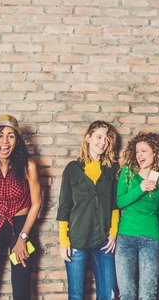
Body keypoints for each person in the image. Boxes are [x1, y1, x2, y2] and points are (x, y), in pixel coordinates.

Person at [0, 114, 42, 300]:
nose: (5, 141)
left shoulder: (28, 166)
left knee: (21, 291)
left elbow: (36, 204)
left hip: (21, 226)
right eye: (0, 135)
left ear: (17, 141)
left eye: (11, 136)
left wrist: (22, 238)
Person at [57, 121, 120, 300]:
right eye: (99, 137)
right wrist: (63, 241)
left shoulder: (111, 169)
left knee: (108, 294)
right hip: (77, 241)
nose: (103, 143)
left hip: (104, 242)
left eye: (107, 139)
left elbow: (115, 205)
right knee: (76, 295)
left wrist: (113, 233)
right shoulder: (72, 169)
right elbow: (64, 206)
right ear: (88, 137)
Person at [116, 132, 159, 300]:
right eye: (137, 151)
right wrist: (140, 188)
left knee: (148, 295)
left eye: (144, 151)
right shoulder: (128, 172)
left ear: (155, 152)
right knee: (126, 294)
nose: (139, 155)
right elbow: (120, 202)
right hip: (126, 237)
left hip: (151, 239)